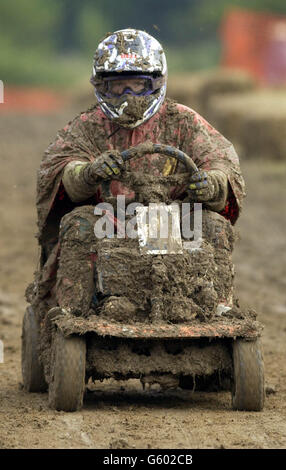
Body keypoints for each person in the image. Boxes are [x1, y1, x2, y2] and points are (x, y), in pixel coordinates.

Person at [27, 29, 245, 319]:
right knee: (77, 223)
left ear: (155, 83)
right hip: (110, 218)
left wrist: (212, 184)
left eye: (137, 86)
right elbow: (63, 169)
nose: (128, 96)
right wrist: (89, 172)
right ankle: (74, 313)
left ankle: (217, 307)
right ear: (102, 86)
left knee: (213, 225)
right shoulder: (87, 126)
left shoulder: (183, 121)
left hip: (176, 219)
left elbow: (219, 161)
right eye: (119, 87)